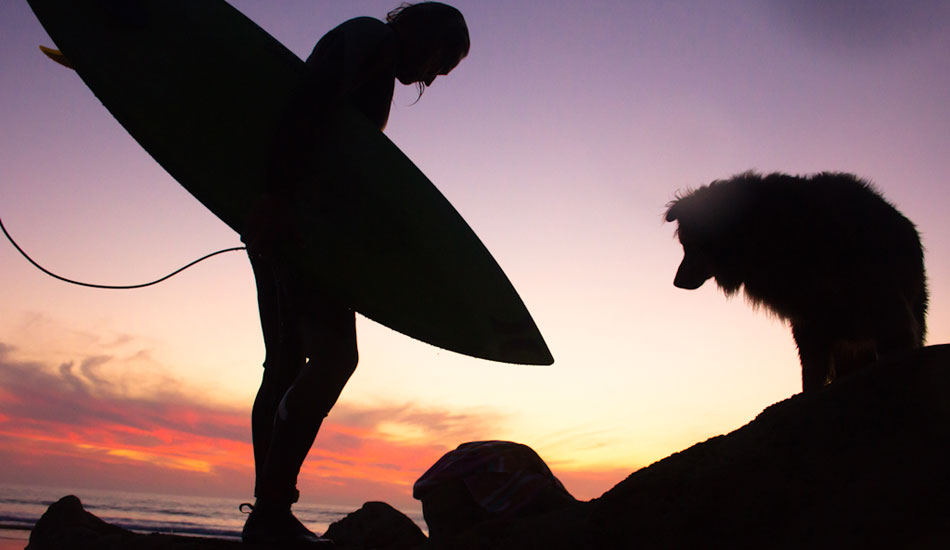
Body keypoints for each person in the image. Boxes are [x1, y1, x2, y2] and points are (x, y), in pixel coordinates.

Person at [239, 3, 470, 545]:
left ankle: (266, 517)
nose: (433, 78)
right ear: (426, 35)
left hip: (293, 216)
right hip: (298, 223)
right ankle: (271, 509)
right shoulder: (370, 39)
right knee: (334, 357)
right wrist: (276, 197)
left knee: (285, 364)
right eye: (441, 61)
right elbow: (306, 105)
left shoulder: (371, 50)